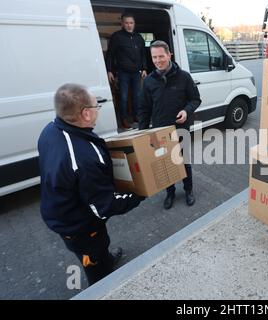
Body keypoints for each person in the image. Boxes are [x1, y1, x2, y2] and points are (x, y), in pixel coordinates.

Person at [38, 83, 145, 286]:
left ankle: (103, 257)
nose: (98, 110)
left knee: (99, 246)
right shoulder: (83, 158)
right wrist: (140, 193)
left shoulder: (50, 129)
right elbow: (104, 207)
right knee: (94, 261)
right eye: (97, 106)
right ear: (86, 114)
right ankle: (101, 276)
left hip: (60, 210)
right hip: (78, 225)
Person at [138, 40, 201, 210]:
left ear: (169, 54)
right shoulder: (149, 81)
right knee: (166, 165)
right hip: (159, 130)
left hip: (181, 128)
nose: (158, 60)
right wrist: (142, 134)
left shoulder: (184, 77)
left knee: (184, 161)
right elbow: (144, 109)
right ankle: (170, 193)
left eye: (161, 56)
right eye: (154, 57)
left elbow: (195, 99)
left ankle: (188, 190)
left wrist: (187, 111)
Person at [106, 12, 147, 129]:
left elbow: (143, 54)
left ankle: (136, 116)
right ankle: (123, 119)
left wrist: (144, 68)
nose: (129, 25)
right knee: (123, 97)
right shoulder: (117, 37)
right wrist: (109, 70)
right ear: (122, 24)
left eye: (131, 23)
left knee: (137, 96)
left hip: (136, 72)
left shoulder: (139, 38)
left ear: (134, 24)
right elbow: (110, 54)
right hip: (123, 72)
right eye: (127, 23)